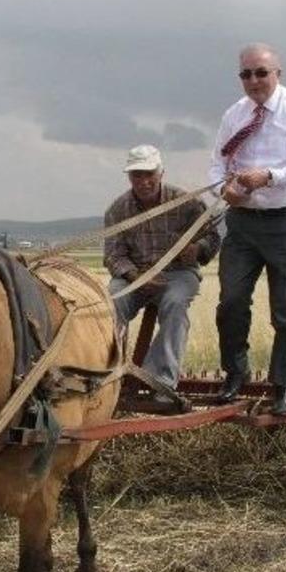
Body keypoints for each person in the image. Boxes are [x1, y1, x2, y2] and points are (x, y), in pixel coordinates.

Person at [209, 43, 286, 416]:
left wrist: (268, 177)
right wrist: (224, 191)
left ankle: (284, 386)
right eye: (246, 74)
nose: (254, 80)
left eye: (261, 72)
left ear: (278, 74)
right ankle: (234, 375)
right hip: (243, 223)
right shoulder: (233, 115)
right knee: (231, 302)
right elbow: (216, 166)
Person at [104, 144, 219, 398]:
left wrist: (197, 249)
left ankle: (162, 381)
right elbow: (113, 255)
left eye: (149, 174)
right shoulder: (117, 210)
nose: (144, 181)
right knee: (110, 304)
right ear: (129, 177)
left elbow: (212, 239)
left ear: (161, 173)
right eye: (137, 175)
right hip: (135, 275)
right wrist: (136, 276)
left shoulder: (188, 203)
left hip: (178, 274)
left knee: (175, 304)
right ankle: (110, 374)